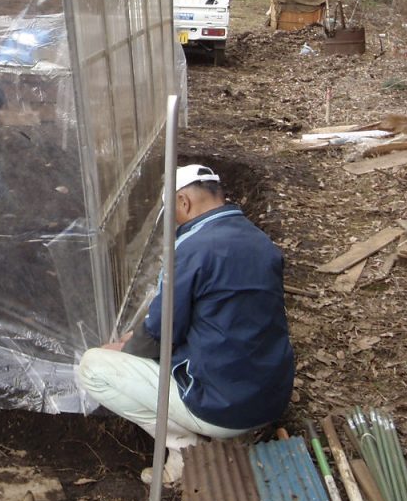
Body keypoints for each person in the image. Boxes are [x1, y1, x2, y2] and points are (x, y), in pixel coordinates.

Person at [77, 164, 295, 484]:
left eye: (173, 213)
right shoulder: (260, 241)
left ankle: (185, 450)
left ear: (184, 202)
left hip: (223, 407)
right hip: (271, 397)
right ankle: (233, 435)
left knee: (92, 367)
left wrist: (125, 349)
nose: (174, 222)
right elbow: (219, 316)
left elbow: (163, 334)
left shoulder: (191, 249)